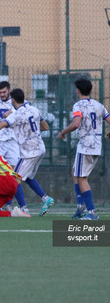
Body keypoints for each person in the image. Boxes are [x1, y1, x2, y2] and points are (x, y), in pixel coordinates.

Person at [0, 88, 54, 216]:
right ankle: (44, 198)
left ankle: (22, 209)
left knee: (13, 180)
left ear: (13, 100)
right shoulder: (34, 109)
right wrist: (30, 132)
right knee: (28, 177)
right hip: (40, 148)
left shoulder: (16, 114)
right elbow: (45, 127)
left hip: (29, 152)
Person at [58, 79, 110, 220]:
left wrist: (63, 132)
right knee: (75, 172)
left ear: (78, 91)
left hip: (86, 146)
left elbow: (76, 124)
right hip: (96, 146)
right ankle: (81, 207)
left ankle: (92, 212)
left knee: (81, 178)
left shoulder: (78, 105)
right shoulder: (99, 106)